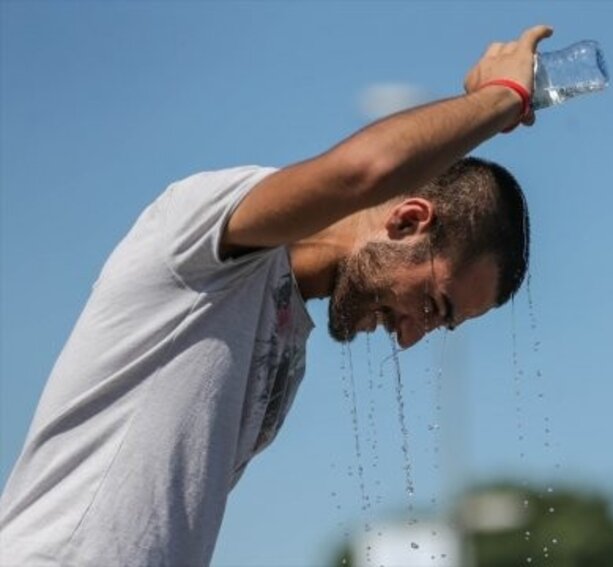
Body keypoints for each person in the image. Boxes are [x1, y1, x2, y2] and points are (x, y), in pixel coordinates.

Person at [0, 24, 553, 566]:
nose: (409, 337)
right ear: (407, 221)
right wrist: (502, 98)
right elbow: (364, 172)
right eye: (433, 305)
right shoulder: (205, 236)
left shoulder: (288, 339)